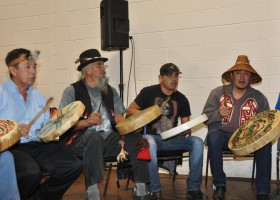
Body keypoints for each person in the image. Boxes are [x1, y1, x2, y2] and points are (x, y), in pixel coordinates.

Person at [58, 49, 150, 200]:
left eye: (103, 65)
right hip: (80, 140)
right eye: (99, 65)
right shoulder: (72, 90)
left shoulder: (110, 91)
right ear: (87, 70)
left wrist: (132, 128)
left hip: (109, 139)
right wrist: (87, 122)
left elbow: (120, 120)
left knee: (137, 140)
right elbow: (62, 124)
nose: (103, 68)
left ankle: (140, 189)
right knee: (94, 137)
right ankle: (92, 192)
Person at [0, 48, 84, 200]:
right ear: (12, 69)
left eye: (34, 67)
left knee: (73, 166)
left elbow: (47, 128)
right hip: (12, 148)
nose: (33, 71)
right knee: (31, 173)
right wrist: (14, 128)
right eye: (27, 67)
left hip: (38, 145)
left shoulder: (39, 98)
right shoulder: (1, 94)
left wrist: (60, 124)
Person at [126, 63, 208, 200]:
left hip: (172, 139)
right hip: (152, 137)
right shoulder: (148, 92)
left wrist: (186, 130)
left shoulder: (182, 99)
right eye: (169, 76)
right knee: (149, 142)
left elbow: (186, 124)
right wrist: (148, 114)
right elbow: (130, 110)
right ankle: (154, 189)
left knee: (197, 142)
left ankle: (194, 189)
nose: (174, 79)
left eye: (176, 75)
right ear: (160, 78)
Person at [202, 55, 271, 200]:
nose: (242, 77)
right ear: (232, 76)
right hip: (223, 135)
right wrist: (218, 114)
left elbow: (266, 125)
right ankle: (220, 185)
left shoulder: (259, 98)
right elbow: (205, 118)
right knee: (213, 137)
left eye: (246, 74)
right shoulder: (217, 92)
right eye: (238, 73)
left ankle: (263, 191)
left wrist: (257, 126)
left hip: (248, 138)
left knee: (266, 143)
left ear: (250, 78)